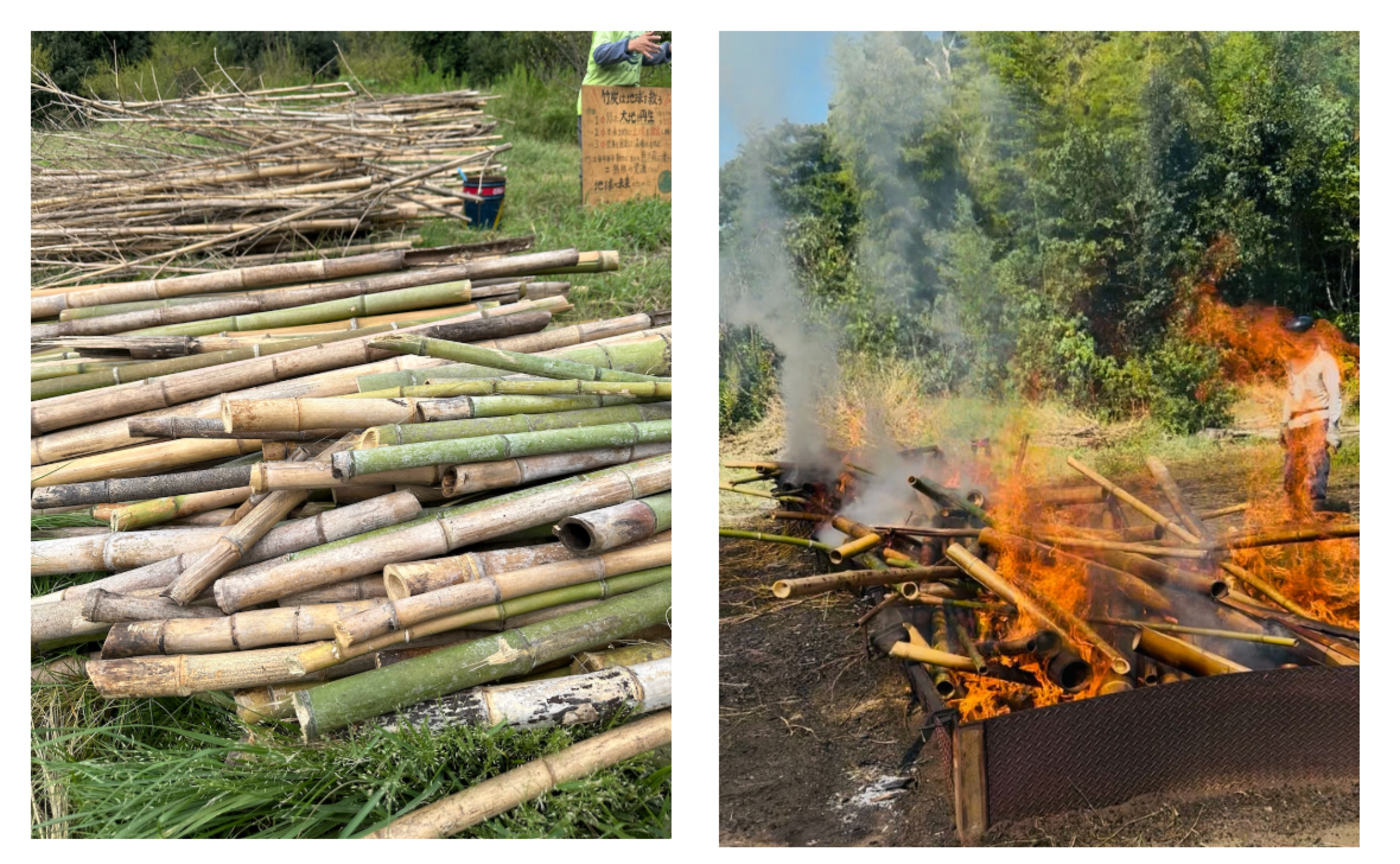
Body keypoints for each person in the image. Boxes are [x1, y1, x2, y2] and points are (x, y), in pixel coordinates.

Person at [1278, 315, 1343, 513]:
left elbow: (1335, 396)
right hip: (1296, 423)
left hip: (1318, 419)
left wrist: (1333, 427)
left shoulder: (1325, 361)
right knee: (1291, 472)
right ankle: (1293, 511)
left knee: (1316, 464)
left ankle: (1317, 509)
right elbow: (1290, 393)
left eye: (1299, 337)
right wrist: (1283, 424)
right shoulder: (1291, 362)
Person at [577, 32, 672, 147]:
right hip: (597, 105)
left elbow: (641, 56)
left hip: (627, 107)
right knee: (600, 162)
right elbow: (600, 53)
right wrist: (629, 45)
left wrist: (668, 50)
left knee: (626, 161)